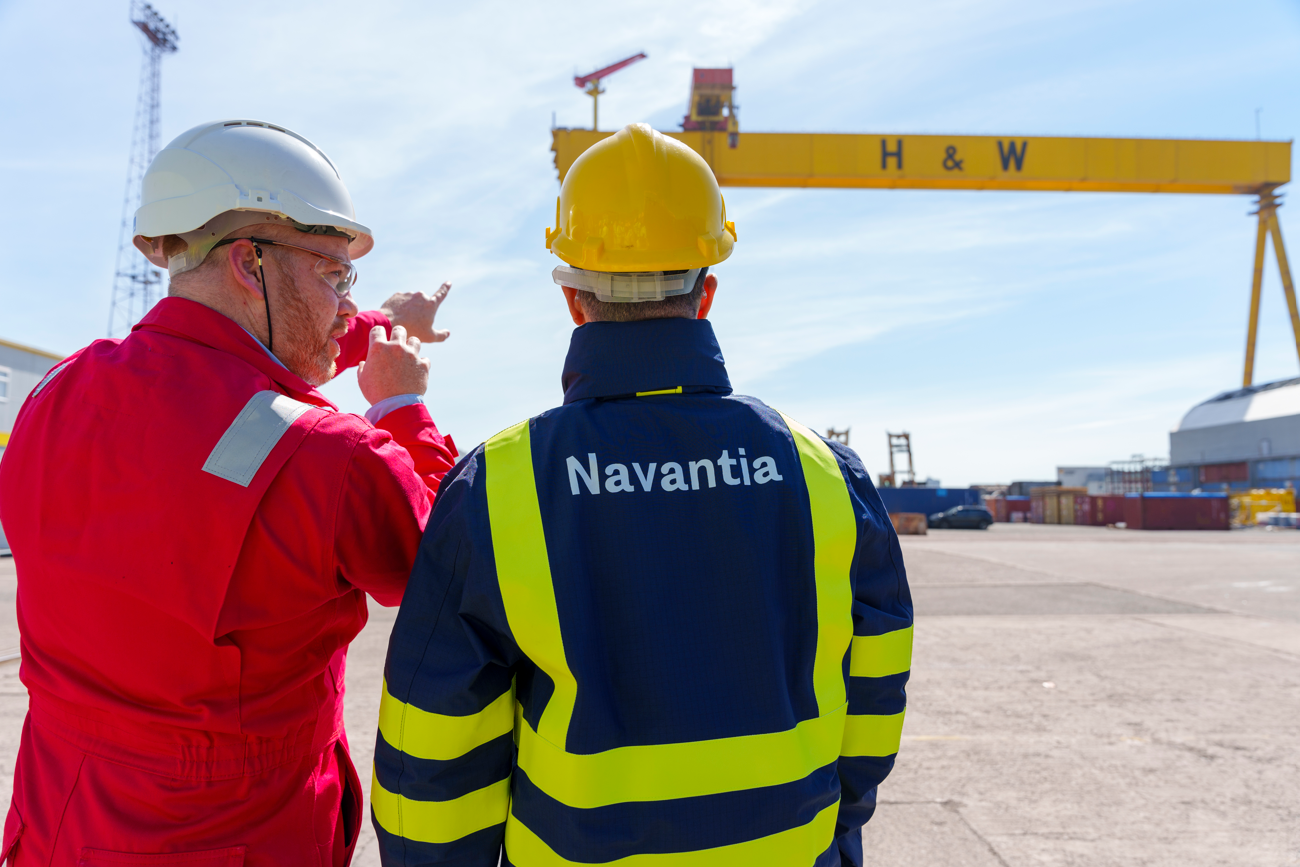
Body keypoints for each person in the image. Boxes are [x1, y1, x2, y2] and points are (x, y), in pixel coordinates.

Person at [372, 123, 913, 866]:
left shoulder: (498, 484)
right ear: (708, 291)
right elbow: (875, 682)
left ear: (573, 300)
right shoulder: (826, 471)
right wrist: (835, 823)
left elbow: (433, 749)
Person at [0, 120, 459, 866]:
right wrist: (402, 407)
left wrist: (381, 323)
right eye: (337, 276)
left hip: (60, 827)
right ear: (249, 263)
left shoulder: (54, 396)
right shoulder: (329, 456)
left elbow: (236, 366)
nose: (347, 303)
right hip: (237, 838)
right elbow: (444, 559)